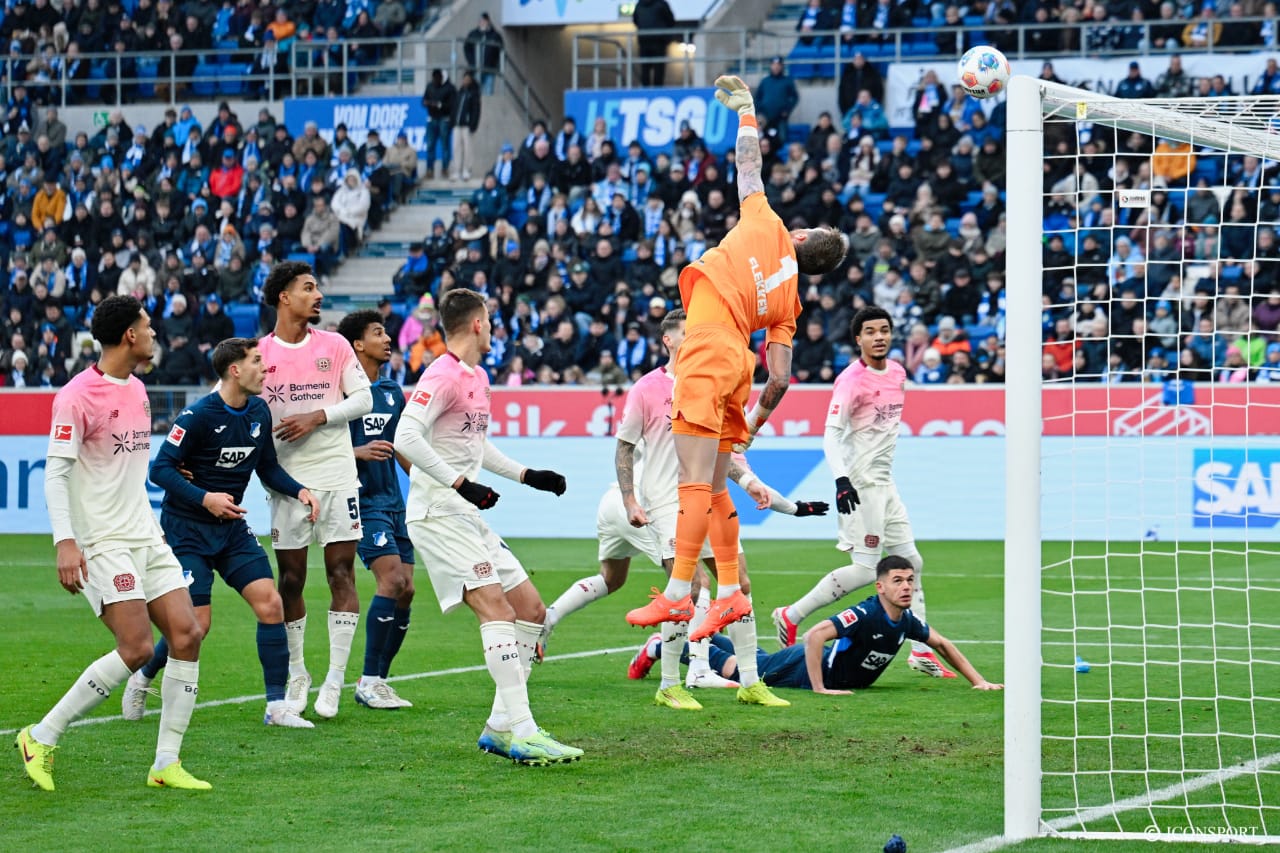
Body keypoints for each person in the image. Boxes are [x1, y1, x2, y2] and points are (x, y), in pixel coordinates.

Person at [624, 76, 848, 648]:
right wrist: (751, 424)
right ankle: (729, 594)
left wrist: (747, 113)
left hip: (704, 345)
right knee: (719, 484)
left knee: (693, 484)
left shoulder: (765, 222)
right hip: (736, 365)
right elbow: (780, 377)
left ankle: (677, 595)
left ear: (801, 233)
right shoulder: (791, 304)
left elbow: (747, 165)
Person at [542, 310, 828, 710]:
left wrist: (749, 483)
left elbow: (721, 450)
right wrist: (630, 499)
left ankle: (750, 682)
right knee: (689, 589)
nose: (696, 340)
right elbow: (624, 446)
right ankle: (672, 683)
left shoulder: (714, 385)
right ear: (669, 341)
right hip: (665, 501)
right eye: (686, 334)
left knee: (740, 584)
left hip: (709, 500)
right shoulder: (647, 388)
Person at [17, 295, 209, 792]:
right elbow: (56, 475)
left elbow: (125, 465)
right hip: (102, 540)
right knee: (136, 646)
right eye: (147, 326)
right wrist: (66, 542)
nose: (153, 334)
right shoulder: (77, 395)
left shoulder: (139, 390)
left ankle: (166, 762)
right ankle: (42, 735)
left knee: (187, 634)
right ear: (129, 335)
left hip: (146, 533)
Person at [393, 289, 581, 765]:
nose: (495, 326)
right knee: (496, 611)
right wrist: (460, 484)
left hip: (466, 514)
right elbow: (405, 436)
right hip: (438, 514)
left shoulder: (477, 377)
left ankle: (500, 728)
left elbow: (476, 446)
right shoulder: (440, 372)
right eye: (491, 319)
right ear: (476, 323)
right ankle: (524, 730)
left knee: (531, 611)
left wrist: (526, 475)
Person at [125, 337, 321, 730]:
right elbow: (160, 470)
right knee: (197, 626)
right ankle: (145, 674)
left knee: (271, 604)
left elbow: (266, 466)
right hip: (188, 531)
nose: (265, 369)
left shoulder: (259, 412)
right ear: (235, 370)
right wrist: (205, 498)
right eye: (257, 361)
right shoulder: (196, 415)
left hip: (231, 529)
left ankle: (276, 706)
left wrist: (298, 489)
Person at [771, 306, 956, 678]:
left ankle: (920, 651)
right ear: (858, 339)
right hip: (860, 485)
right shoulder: (851, 380)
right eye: (870, 331)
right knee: (866, 567)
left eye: (884, 330)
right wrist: (842, 480)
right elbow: (831, 434)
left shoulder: (899, 372)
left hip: (885, 483)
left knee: (911, 562)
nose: (879, 337)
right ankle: (791, 614)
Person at [257, 261, 374, 719]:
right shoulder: (259, 353)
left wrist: (318, 416)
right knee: (290, 579)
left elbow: (363, 399)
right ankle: (298, 672)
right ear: (284, 297)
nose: (318, 294)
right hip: (287, 480)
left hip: (337, 473)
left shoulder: (335, 345)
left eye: (318, 286)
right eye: (308, 288)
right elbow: (226, 400)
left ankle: (333, 681)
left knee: (341, 573)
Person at [637, 556, 1003, 693]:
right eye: (898, 581)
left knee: (757, 658)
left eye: (909, 580)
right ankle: (662, 646)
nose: (906, 586)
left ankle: (711, 636)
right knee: (740, 672)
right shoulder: (865, 613)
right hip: (806, 667)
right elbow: (815, 636)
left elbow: (942, 644)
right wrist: (820, 688)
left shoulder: (905, 620)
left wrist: (979, 681)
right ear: (880, 586)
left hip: (816, 669)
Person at [337, 310, 415, 710]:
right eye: (379, 333)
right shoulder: (339, 394)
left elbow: (402, 445)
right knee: (392, 582)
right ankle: (367, 681)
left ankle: (380, 680)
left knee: (408, 589)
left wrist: (427, 479)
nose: (388, 339)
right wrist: (357, 452)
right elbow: (318, 450)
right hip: (362, 503)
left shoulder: (391, 391)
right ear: (357, 344)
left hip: (396, 504)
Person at [632, 0, 676, 87]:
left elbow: (635, 20)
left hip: (644, 41)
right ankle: (658, 90)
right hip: (659, 41)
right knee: (659, 68)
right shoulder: (661, 4)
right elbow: (671, 21)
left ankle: (645, 89)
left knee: (645, 69)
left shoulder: (639, 4)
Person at [463, 12, 504, 95]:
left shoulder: (495, 35)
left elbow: (501, 51)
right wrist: (471, 62)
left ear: (488, 21)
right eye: (481, 21)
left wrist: (497, 66)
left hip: (489, 69)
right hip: (476, 69)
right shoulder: (473, 34)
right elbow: (467, 48)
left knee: (488, 93)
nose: (482, 22)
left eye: (484, 21)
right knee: (475, 93)